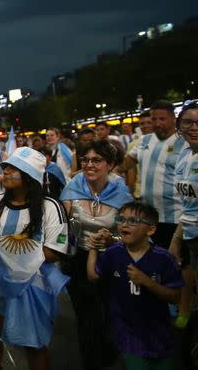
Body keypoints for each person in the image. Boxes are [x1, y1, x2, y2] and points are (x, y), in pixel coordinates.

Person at [0, 147, 69, 370]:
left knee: (34, 344)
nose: (6, 172)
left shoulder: (50, 207)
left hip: (34, 286)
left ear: (29, 175)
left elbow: (54, 252)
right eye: (6, 167)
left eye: (13, 168)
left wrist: (8, 254)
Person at [59, 140, 132, 369]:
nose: (89, 165)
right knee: (86, 316)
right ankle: (91, 361)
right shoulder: (72, 187)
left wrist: (112, 240)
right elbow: (60, 225)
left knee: (109, 313)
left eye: (96, 160)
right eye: (85, 160)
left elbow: (131, 235)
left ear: (110, 164)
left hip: (110, 260)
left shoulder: (122, 193)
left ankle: (110, 353)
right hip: (78, 260)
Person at [120, 100, 192, 325]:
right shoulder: (144, 141)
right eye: (154, 119)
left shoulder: (184, 143)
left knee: (180, 265)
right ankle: (162, 305)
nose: (157, 123)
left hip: (176, 217)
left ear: (173, 119)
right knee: (156, 263)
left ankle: (184, 308)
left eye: (163, 118)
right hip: (150, 218)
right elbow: (126, 163)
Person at [87, 202, 184, 368]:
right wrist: (93, 248)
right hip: (128, 333)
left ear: (150, 230)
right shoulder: (114, 253)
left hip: (159, 334)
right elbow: (93, 276)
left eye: (133, 221)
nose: (124, 224)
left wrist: (147, 282)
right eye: (121, 219)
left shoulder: (163, 258)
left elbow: (176, 297)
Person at [168, 101, 198, 308]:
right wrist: (177, 239)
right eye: (187, 122)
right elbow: (188, 206)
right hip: (191, 237)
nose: (194, 128)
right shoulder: (184, 155)